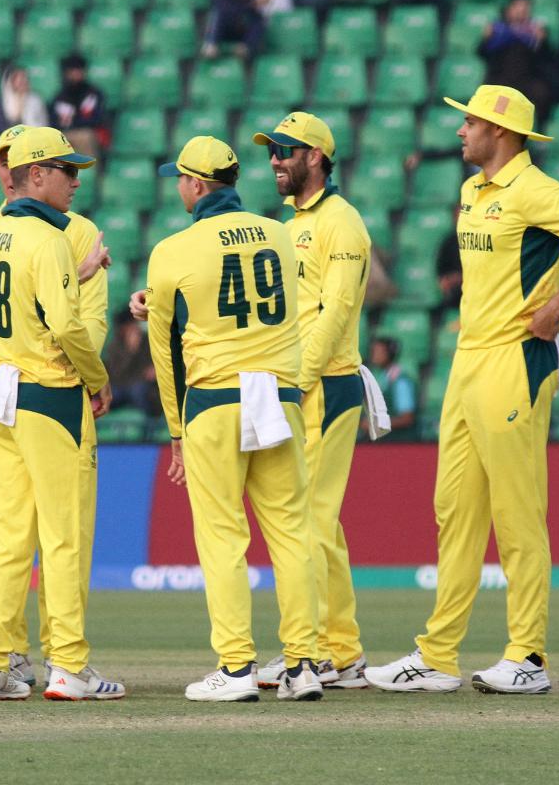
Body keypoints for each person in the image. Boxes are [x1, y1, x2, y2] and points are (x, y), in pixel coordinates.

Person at [366, 84, 559, 695]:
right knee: (454, 512)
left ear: (501, 132)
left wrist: (558, 304)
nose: (460, 131)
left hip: (516, 361)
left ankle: (527, 658)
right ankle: (436, 657)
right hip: (468, 363)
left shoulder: (534, 189)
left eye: (470, 123)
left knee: (517, 514)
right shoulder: (471, 190)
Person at [144, 136, 322, 703]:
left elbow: (165, 350)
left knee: (222, 538)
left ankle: (237, 668)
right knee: (292, 533)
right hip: (278, 395)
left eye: (181, 178)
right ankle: (303, 666)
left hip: (215, 399)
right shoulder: (279, 233)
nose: (178, 187)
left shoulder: (172, 250)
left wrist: (175, 430)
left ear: (197, 185)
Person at [0, 127, 122, 702]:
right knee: (63, 536)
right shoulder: (50, 239)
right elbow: (64, 326)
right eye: (66, 171)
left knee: (10, 537)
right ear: (36, 175)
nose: (75, 181)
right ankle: (70, 668)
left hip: (3, 391)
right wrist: (99, 379)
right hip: (52, 395)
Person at [252, 112, 372, 690]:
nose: (275, 159)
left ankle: (322, 652)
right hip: (301, 382)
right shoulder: (289, 222)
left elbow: (338, 309)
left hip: (326, 383)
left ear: (317, 156)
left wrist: (298, 380)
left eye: (286, 150)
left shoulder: (341, 222)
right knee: (320, 522)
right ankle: (341, 650)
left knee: (312, 520)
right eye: (272, 150)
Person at [478, 0, 553, 114]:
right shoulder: (498, 30)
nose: (521, 11)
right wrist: (486, 39)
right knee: (496, 110)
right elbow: (482, 54)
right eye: (517, 7)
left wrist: (542, 41)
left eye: (525, 8)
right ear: (509, 9)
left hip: (527, 81)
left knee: (542, 94)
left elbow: (546, 58)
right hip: (501, 82)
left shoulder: (536, 31)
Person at [105, 310, 160, 416]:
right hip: (120, 387)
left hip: (143, 386)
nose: (135, 328)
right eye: (131, 325)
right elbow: (116, 374)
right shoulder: (114, 346)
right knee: (108, 395)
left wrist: (156, 369)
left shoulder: (147, 341)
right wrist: (131, 351)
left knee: (140, 392)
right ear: (123, 328)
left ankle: (151, 427)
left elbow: (155, 365)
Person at [51, 55, 107, 158]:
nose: (75, 74)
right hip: (65, 133)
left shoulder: (93, 94)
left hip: (87, 133)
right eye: (72, 71)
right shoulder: (60, 97)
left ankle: (90, 172)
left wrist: (73, 122)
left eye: (78, 70)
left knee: (85, 136)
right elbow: (54, 122)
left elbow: (97, 119)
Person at [366, 337, 417, 441]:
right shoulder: (382, 376)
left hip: (399, 444)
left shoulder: (401, 381)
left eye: (378, 351)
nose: (374, 355)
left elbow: (407, 418)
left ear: (389, 354)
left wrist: (376, 424)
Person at [202, 0, 266, 60]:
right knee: (217, 15)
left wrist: (254, 5)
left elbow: (254, 18)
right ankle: (211, 44)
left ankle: (246, 47)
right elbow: (230, 10)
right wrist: (249, 5)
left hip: (240, 34)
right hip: (223, 33)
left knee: (257, 20)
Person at [0, 66, 48, 134]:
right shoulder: (2, 101)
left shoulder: (36, 99)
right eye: (19, 79)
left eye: (25, 78)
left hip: (34, 136)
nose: (23, 82)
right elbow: (0, 126)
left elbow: (43, 123)